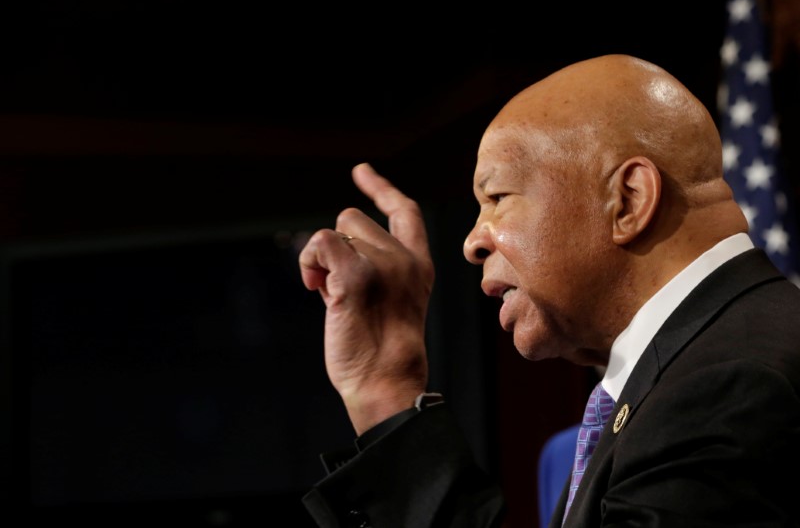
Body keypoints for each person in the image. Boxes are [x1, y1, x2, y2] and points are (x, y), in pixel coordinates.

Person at [297, 54, 800, 527]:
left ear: (628, 200)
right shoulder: (713, 360)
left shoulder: (726, 385)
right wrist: (387, 388)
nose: (472, 242)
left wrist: (388, 397)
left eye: (497, 197)